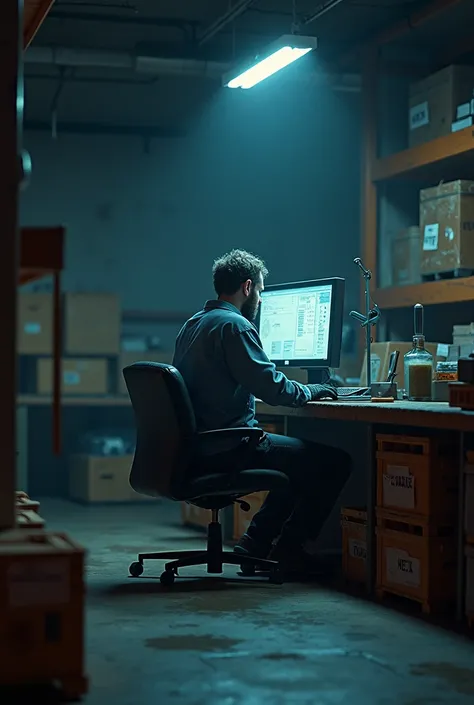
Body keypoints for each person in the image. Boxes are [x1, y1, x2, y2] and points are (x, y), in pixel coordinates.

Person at [173, 249, 352, 576]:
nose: (260, 298)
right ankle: (289, 551)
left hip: (200, 447)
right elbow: (273, 389)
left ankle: (255, 545)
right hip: (228, 448)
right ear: (246, 287)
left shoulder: (193, 325)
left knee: (297, 461)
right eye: (260, 290)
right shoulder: (235, 326)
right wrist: (312, 391)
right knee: (333, 462)